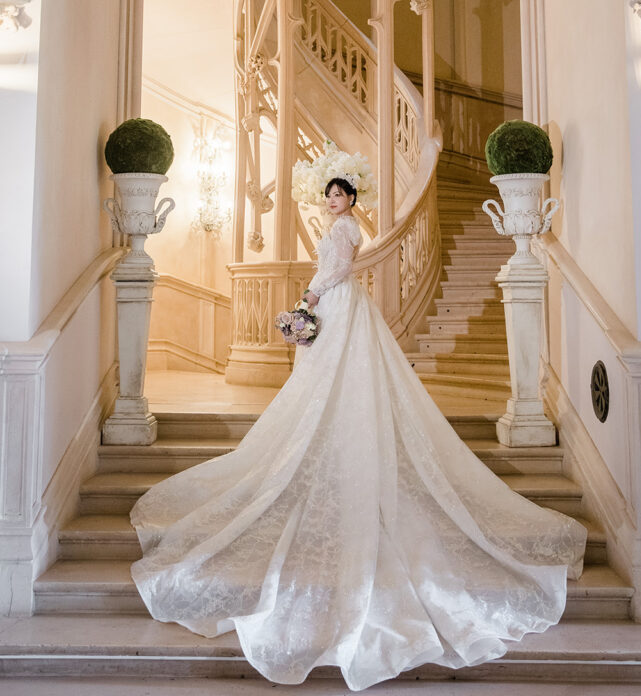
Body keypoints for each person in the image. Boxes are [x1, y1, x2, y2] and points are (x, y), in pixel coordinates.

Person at [130, 175, 586, 691]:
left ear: (351, 201)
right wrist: (312, 297)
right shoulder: (334, 224)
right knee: (319, 384)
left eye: (340, 195)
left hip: (340, 303)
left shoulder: (346, 229)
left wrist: (311, 292)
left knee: (345, 380)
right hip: (332, 305)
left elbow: (342, 267)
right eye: (329, 195)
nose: (332, 201)